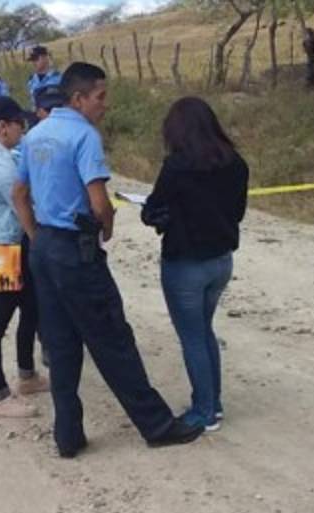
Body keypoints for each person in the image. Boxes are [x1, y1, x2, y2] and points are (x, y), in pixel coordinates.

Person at [12, 62, 203, 458]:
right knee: (113, 338)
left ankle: (67, 435)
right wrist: (107, 229)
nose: (105, 104)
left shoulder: (36, 133)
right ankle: (157, 425)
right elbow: (99, 202)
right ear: (78, 98)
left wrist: (36, 237)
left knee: (61, 344)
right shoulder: (85, 136)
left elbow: (19, 194)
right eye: (100, 96)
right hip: (75, 251)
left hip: (45, 249)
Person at [140, 97, 247, 433]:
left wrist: (157, 216)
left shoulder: (177, 167)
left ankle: (204, 411)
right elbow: (238, 212)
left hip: (185, 262)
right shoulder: (236, 163)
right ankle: (213, 403)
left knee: (192, 337)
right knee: (203, 331)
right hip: (221, 260)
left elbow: (153, 210)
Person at [0, 96, 50, 418]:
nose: (23, 130)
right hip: (3, 249)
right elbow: (23, 202)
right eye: (20, 124)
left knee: (31, 309)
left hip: (16, 245)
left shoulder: (2, 155)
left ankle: (27, 375)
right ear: (4, 127)